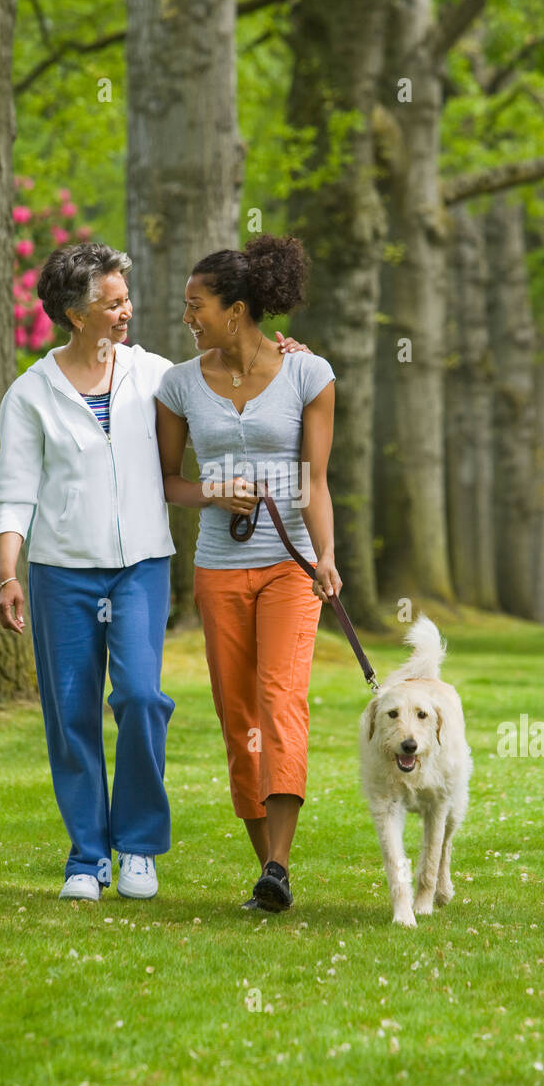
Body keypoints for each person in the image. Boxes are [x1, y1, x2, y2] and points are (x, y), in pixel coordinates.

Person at [155, 234, 341, 912]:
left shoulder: (307, 373)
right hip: (220, 569)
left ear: (235, 310)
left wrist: (325, 557)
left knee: (280, 698)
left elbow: (316, 480)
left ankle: (282, 865)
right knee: (239, 717)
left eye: (195, 304)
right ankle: (266, 866)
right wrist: (210, 491)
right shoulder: (178, 384)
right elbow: (168, 483)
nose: (188, 316)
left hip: (289, 567)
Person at [0, 242, 176, 903]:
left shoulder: (153, 373)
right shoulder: (30, 394)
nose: (127, 311)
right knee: (70, 714)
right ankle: (87, 857)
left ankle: (140, 846)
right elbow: (15, 491)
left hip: (141, 568)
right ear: (75, 313)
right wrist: (8, 573)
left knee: (140, 697)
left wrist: (280, 356)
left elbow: (221, 380)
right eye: (112, 302)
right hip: (61, 573)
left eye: (126, 298)